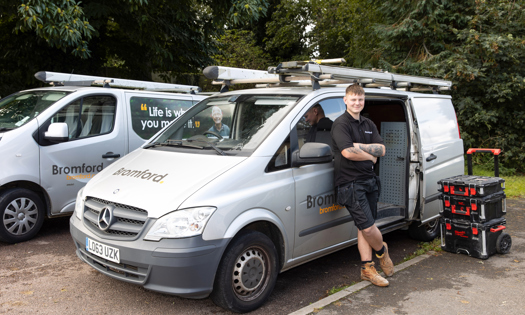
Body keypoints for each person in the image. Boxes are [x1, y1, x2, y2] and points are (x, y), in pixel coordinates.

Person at [331, 84, 394, 287]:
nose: (357, 103)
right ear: (345, 100)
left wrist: (359, 147)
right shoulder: (340, 124)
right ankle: (382, 251)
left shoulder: (368, 123)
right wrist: (370, 155)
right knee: (368, 228)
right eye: (353, 99)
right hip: (350, 183)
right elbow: (348, 153)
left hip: (370, 180)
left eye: (360, 99)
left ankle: (367, 269)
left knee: (363, 226)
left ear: (363, 100)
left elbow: (382, 150)